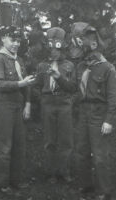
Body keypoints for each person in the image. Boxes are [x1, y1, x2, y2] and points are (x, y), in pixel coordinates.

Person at [73, 23, 116, 200]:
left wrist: (109, 120)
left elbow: (113, 98)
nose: (88, 55)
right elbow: (74, 88)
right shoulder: (81, 67)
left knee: (100, 154)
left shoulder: (107, 68)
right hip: (83, 112)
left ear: (95, 47)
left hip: (99, 114)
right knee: (81, 151)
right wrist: (57, 77)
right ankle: (86, 186)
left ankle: (104, 190)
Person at [0, 26, 35, 192]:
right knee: (5, 146)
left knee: (19, 144)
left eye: (18, 40)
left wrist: (28, 103)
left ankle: (17, 179)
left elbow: (27, 83)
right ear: (3, 39)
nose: (16, 44)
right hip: (4, 106)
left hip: (18, 105)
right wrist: (20, 84)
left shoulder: (19, 60)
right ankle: (2, 183)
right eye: (12, 40)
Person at [33, 27, 77, 183]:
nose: (54, 52)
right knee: (49, 140)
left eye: (57, 48)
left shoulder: (69, 66)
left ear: (63, 48)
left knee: (66, 140)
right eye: (51, 48)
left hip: (64, 103)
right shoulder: (42, 66)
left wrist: (69, 99)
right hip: (48, 104)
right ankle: (51, 172)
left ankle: (64, 171)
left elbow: (73, 87)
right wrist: (42, 100)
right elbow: (36, 86)